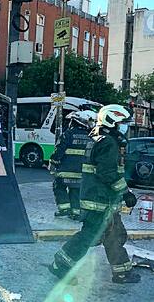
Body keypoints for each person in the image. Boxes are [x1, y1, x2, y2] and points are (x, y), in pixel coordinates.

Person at [49, 104, 140, 284]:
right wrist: (126, 192)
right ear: (111, 121)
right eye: (123, 123)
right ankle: (61, 265)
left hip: (101, 199)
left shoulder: (99, 138)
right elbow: (107, 173)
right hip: (99, 200)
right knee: (89, 236)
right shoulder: (107, 143)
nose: (125, 127)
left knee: (114, 235)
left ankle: (122, 272)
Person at [49, 110, 96, 220]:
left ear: (76, 122)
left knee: (58, 186)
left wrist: (53, 162)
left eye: (71, 121)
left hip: (65, 171)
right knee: (76, 190)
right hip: (82, 172)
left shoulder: (68, 134)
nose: (70, 123)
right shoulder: (91, 137)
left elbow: (59, 151)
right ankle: (76, 213)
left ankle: (64, 209)